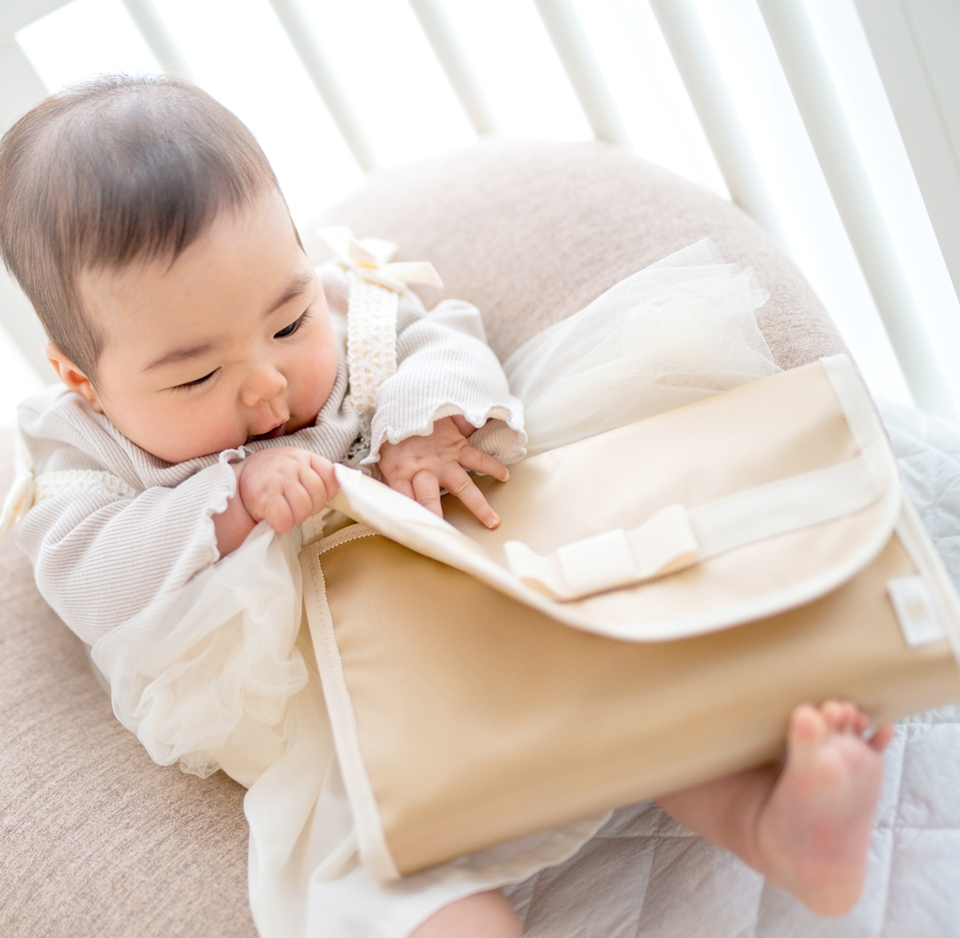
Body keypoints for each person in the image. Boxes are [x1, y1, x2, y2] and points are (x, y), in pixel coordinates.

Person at [0, 75, 892, 938]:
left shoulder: (341, 299)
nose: (268, 381)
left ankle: (770, 820)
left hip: (464, 573)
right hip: (320, 683)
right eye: (197, 374)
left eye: (287, 321)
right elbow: (86, 571)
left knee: (624, 667)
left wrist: (420, 427)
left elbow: (437, 334)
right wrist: (230, 502)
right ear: (85, 381)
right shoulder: (75, 449)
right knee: (360, 855)